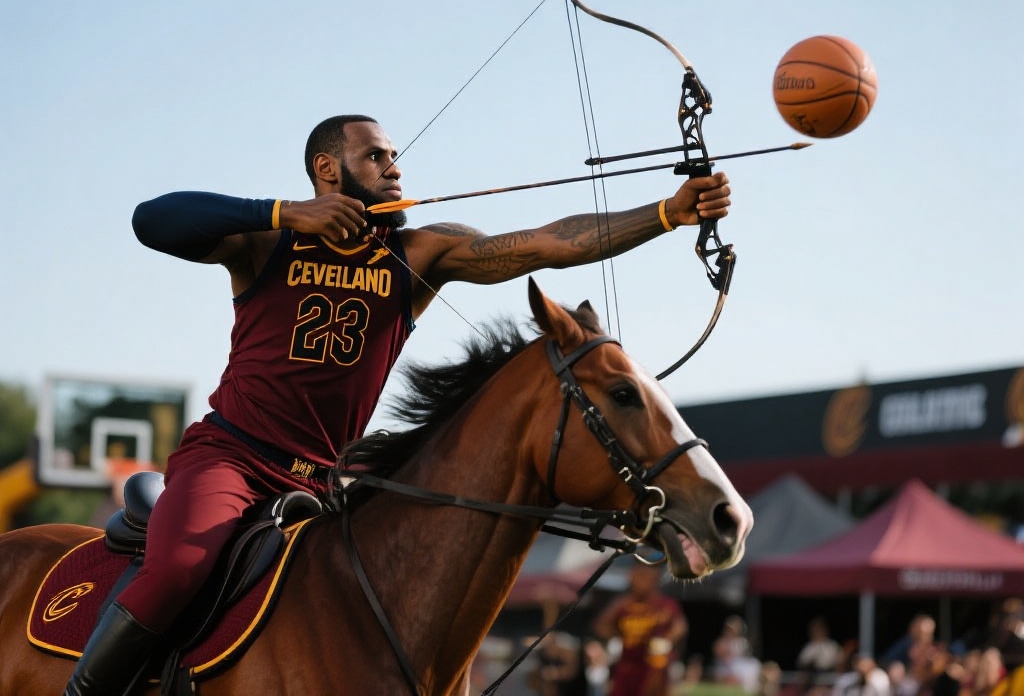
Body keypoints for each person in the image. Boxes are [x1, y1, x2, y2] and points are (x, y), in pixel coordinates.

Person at [63, 114, 733, 695]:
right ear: (329, 170)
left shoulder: (415, 254)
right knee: (177, 567)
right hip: (233, 460)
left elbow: (545, 243)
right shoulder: (268, 242)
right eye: (376, 156)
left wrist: (668, 213)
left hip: (327, 482)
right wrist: (284, 213)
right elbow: (151, 219)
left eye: (394, 156)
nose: (394, 166)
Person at [593, 562, 688, 696]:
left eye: (641, 577)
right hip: (627, 666)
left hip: (654, 668)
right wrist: (619, 633)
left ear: (654, 580)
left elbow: (680, 626)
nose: (634, 581)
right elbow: (600, 626)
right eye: (633, 577)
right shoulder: (624, 604)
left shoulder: (665, 605)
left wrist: (666, 638)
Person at [712, 615, 761, 692]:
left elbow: (747, 657)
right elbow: (722, 656)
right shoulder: (721, 642)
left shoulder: (742, 642)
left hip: (739, 667)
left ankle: (749, 689)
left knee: (754, 663)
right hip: (725, 667)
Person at [796, 616, 843, 694]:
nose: (817, 632)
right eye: (815, 630)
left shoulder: (832, 645)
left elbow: (839, 662)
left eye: (819, 630)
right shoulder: (809, 647)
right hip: (812, 680)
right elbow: (801, 663)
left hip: (829, 680)